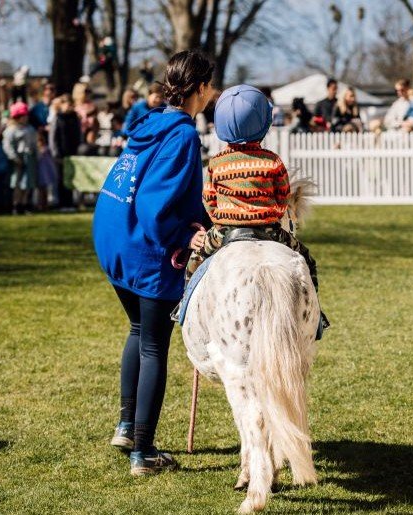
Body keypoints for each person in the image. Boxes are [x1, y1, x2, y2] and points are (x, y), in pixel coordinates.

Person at [92, 50, 215, 476]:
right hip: (143, 246)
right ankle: (143, 452)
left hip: (113, 238)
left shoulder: (149, 123)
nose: (213, 93)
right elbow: (154, 205)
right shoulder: (182, 135)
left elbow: (145, 186)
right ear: (200, 88)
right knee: (153, 345)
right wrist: (186, 235)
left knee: (139, 331)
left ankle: (128, 426)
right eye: (210, 86)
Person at [182, 84, 327, 335]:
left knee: (195, 261)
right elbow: (282, 197)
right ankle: (316, 319)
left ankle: (184, 307)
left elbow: (209, 200)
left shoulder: (217, 162)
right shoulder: (272, 161)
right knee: (306, 262)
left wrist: (219, 220)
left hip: (226, 232)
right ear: (263, 124)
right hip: (270, 231)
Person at [2, 102, 38, 214]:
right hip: (18, 159)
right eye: (23, 116)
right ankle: (16, 205)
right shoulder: (11, 130)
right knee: (17, 183)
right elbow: (7, 145)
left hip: (29, 157)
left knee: (27, 183)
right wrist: (14, 157)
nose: (26, 118)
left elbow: (33, 143)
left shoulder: (30, 129)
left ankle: (25, 203)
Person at [49, 95, 80, 209]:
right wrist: (56, 153)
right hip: (61, 154)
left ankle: (70, 203)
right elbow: (53, 137)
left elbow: (78, 135)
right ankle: (62, 203)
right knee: (61, 179)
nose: (69, 106)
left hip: (72, 153)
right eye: (67, 104)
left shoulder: (74, 117)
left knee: (71, 179)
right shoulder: (58, 118)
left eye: (71, 104)